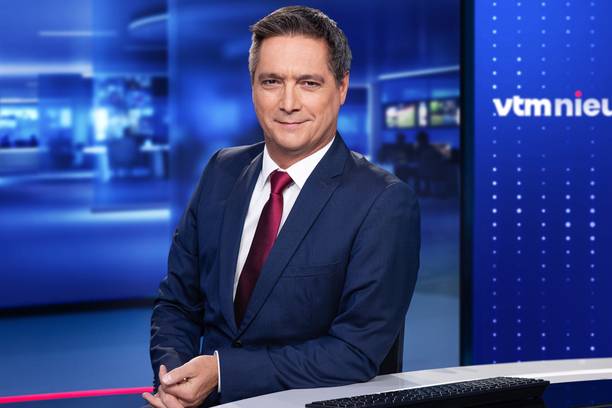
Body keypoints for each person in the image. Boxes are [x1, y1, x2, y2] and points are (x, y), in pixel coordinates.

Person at [144, 6, 420, 408]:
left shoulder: (383, 201)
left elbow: (354, 352)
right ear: (253, 87)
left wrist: (222, 372)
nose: (288, 102)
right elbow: (177, 302)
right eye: (272, 81)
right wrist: (172, 376)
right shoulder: (222, 170)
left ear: (342, 88)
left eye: (309, 83)